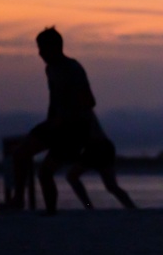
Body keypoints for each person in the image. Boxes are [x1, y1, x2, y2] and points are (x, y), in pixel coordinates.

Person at [8, 27, 134, 214]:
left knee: (106, 185)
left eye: (43, 48)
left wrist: (68, 115)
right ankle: (20, 200)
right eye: (39, 48)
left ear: (56, 47)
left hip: (82, 136)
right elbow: (53, 98)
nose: (40, 53)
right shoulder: (50, 69)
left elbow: (89, 101)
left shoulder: (73, 69)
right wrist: (51, 121)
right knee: (21, 155)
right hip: (61, 127)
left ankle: (122, 210)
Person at [66, 116, 137, 210]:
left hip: (98, 147)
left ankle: (89, 207)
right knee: (111, 186)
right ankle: (131, 207)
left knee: (110, 185)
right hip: (99, 147)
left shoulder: (79, 110)